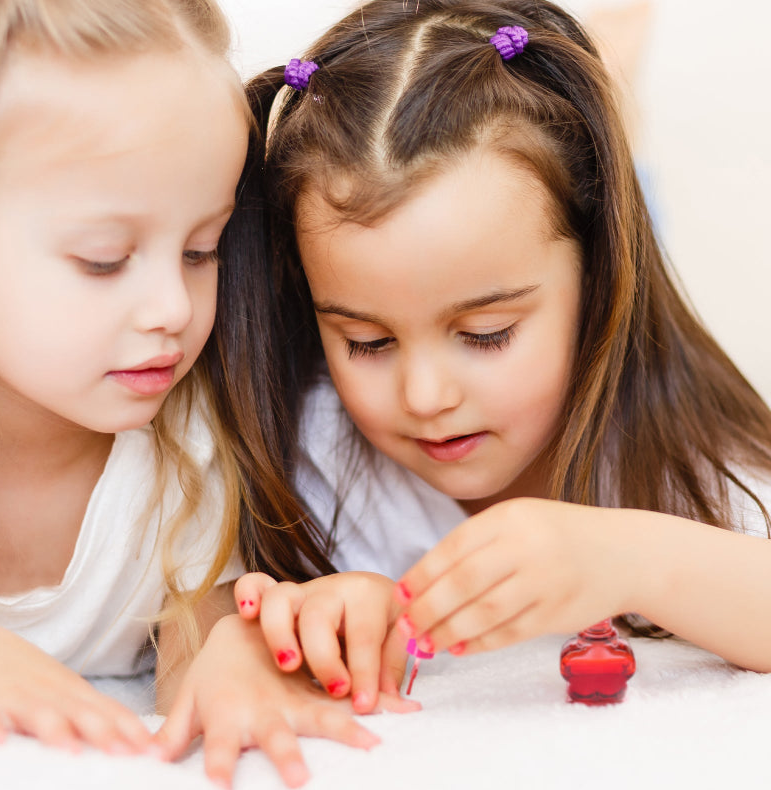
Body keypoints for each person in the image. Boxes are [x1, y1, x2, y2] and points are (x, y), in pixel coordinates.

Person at [231, 0, 771, 716]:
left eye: (485, 333)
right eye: (367, 341)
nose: (425, 396)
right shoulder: (305, 456)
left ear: (596, 279)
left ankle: (618, 76)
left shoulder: (688, 464)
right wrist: (314, 621)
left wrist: (634, 559)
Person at [0, 0, 384, 790]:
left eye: (202, 250)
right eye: (104, 259)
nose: (173, 308)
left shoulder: (182, 442)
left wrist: (232, 655)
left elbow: (197, 632)